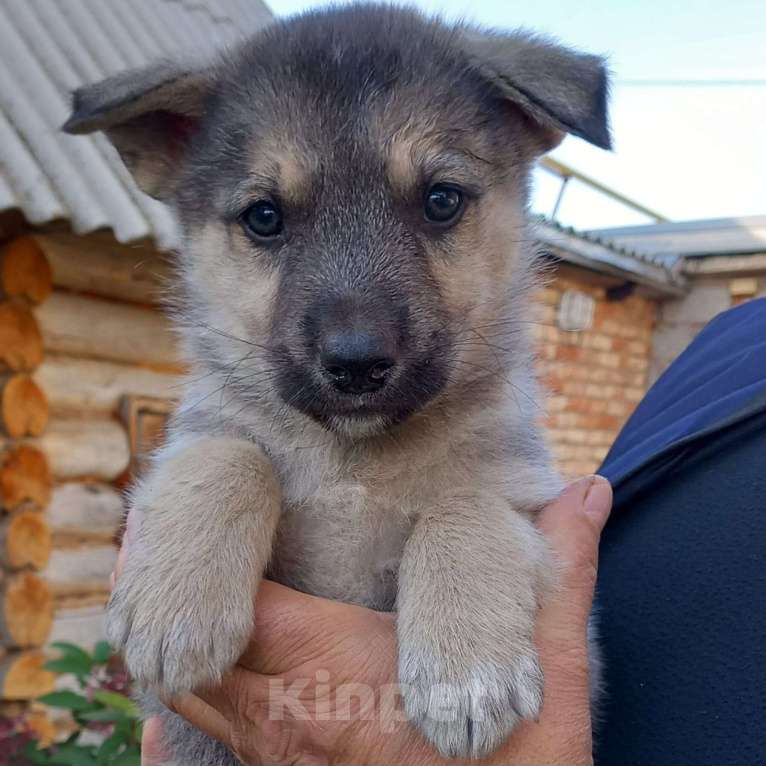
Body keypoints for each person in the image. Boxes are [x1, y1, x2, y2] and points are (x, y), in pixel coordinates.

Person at [121, 299, 765, 765]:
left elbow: (554, 672)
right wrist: (218, 481)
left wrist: (473, 530)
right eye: (266, 219)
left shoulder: (490, 422)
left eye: (439, 204)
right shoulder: (730, 343)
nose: (354, 337)